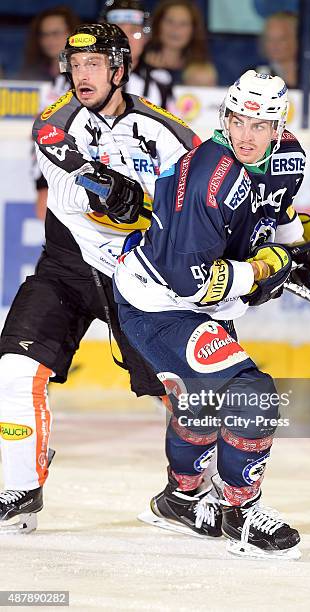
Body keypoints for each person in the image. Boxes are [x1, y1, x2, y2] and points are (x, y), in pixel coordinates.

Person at [113, 70, 310, 557]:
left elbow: (278, 212)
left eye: (261, 124)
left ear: (279, 128)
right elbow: (195, 283)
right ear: (225, 119)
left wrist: (297, 242)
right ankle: (242, 513)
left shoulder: (288, 156)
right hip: (159, 303)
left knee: (201, 402)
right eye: (238, 121)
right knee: (252, 395)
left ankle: (181, 499)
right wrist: (267, 267)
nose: (247, 135)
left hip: (194, 300)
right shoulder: (210, 174)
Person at [0, 23, 199, 534]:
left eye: (93, 65)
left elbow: (205, 194)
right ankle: (22, 487)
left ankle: (203, 493)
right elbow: (50, 141)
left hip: (135, 278)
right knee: (14, 372)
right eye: (75, 65)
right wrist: (103, 182)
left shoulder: (170, 133)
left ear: (118, 68)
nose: (82, 75)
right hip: (65, 268)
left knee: (184, 389)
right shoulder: (57, 117)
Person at [19, 6, 81, 220]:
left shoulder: (86, 78)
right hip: (44, 168)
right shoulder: (31, 74)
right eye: (44, 34)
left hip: (75, 171)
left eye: (56, 33)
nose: (49, 40)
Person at [101, 0, 172, 107]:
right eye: (117, 31)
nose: (125, 39)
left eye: (134, 32)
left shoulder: (160, 81)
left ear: (146, 38)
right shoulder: (80, 77)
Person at [140, 0, 211, 87]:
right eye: (169, 21)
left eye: (183, 24)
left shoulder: (202, 71)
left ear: (193, 30)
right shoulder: (139, 62)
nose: (175, 29)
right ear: (158, 25)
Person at [255, 12, 310, 89]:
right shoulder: (253, 77)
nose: (274, 45)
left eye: (282, 39)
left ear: (299, 40)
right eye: (269, 39)